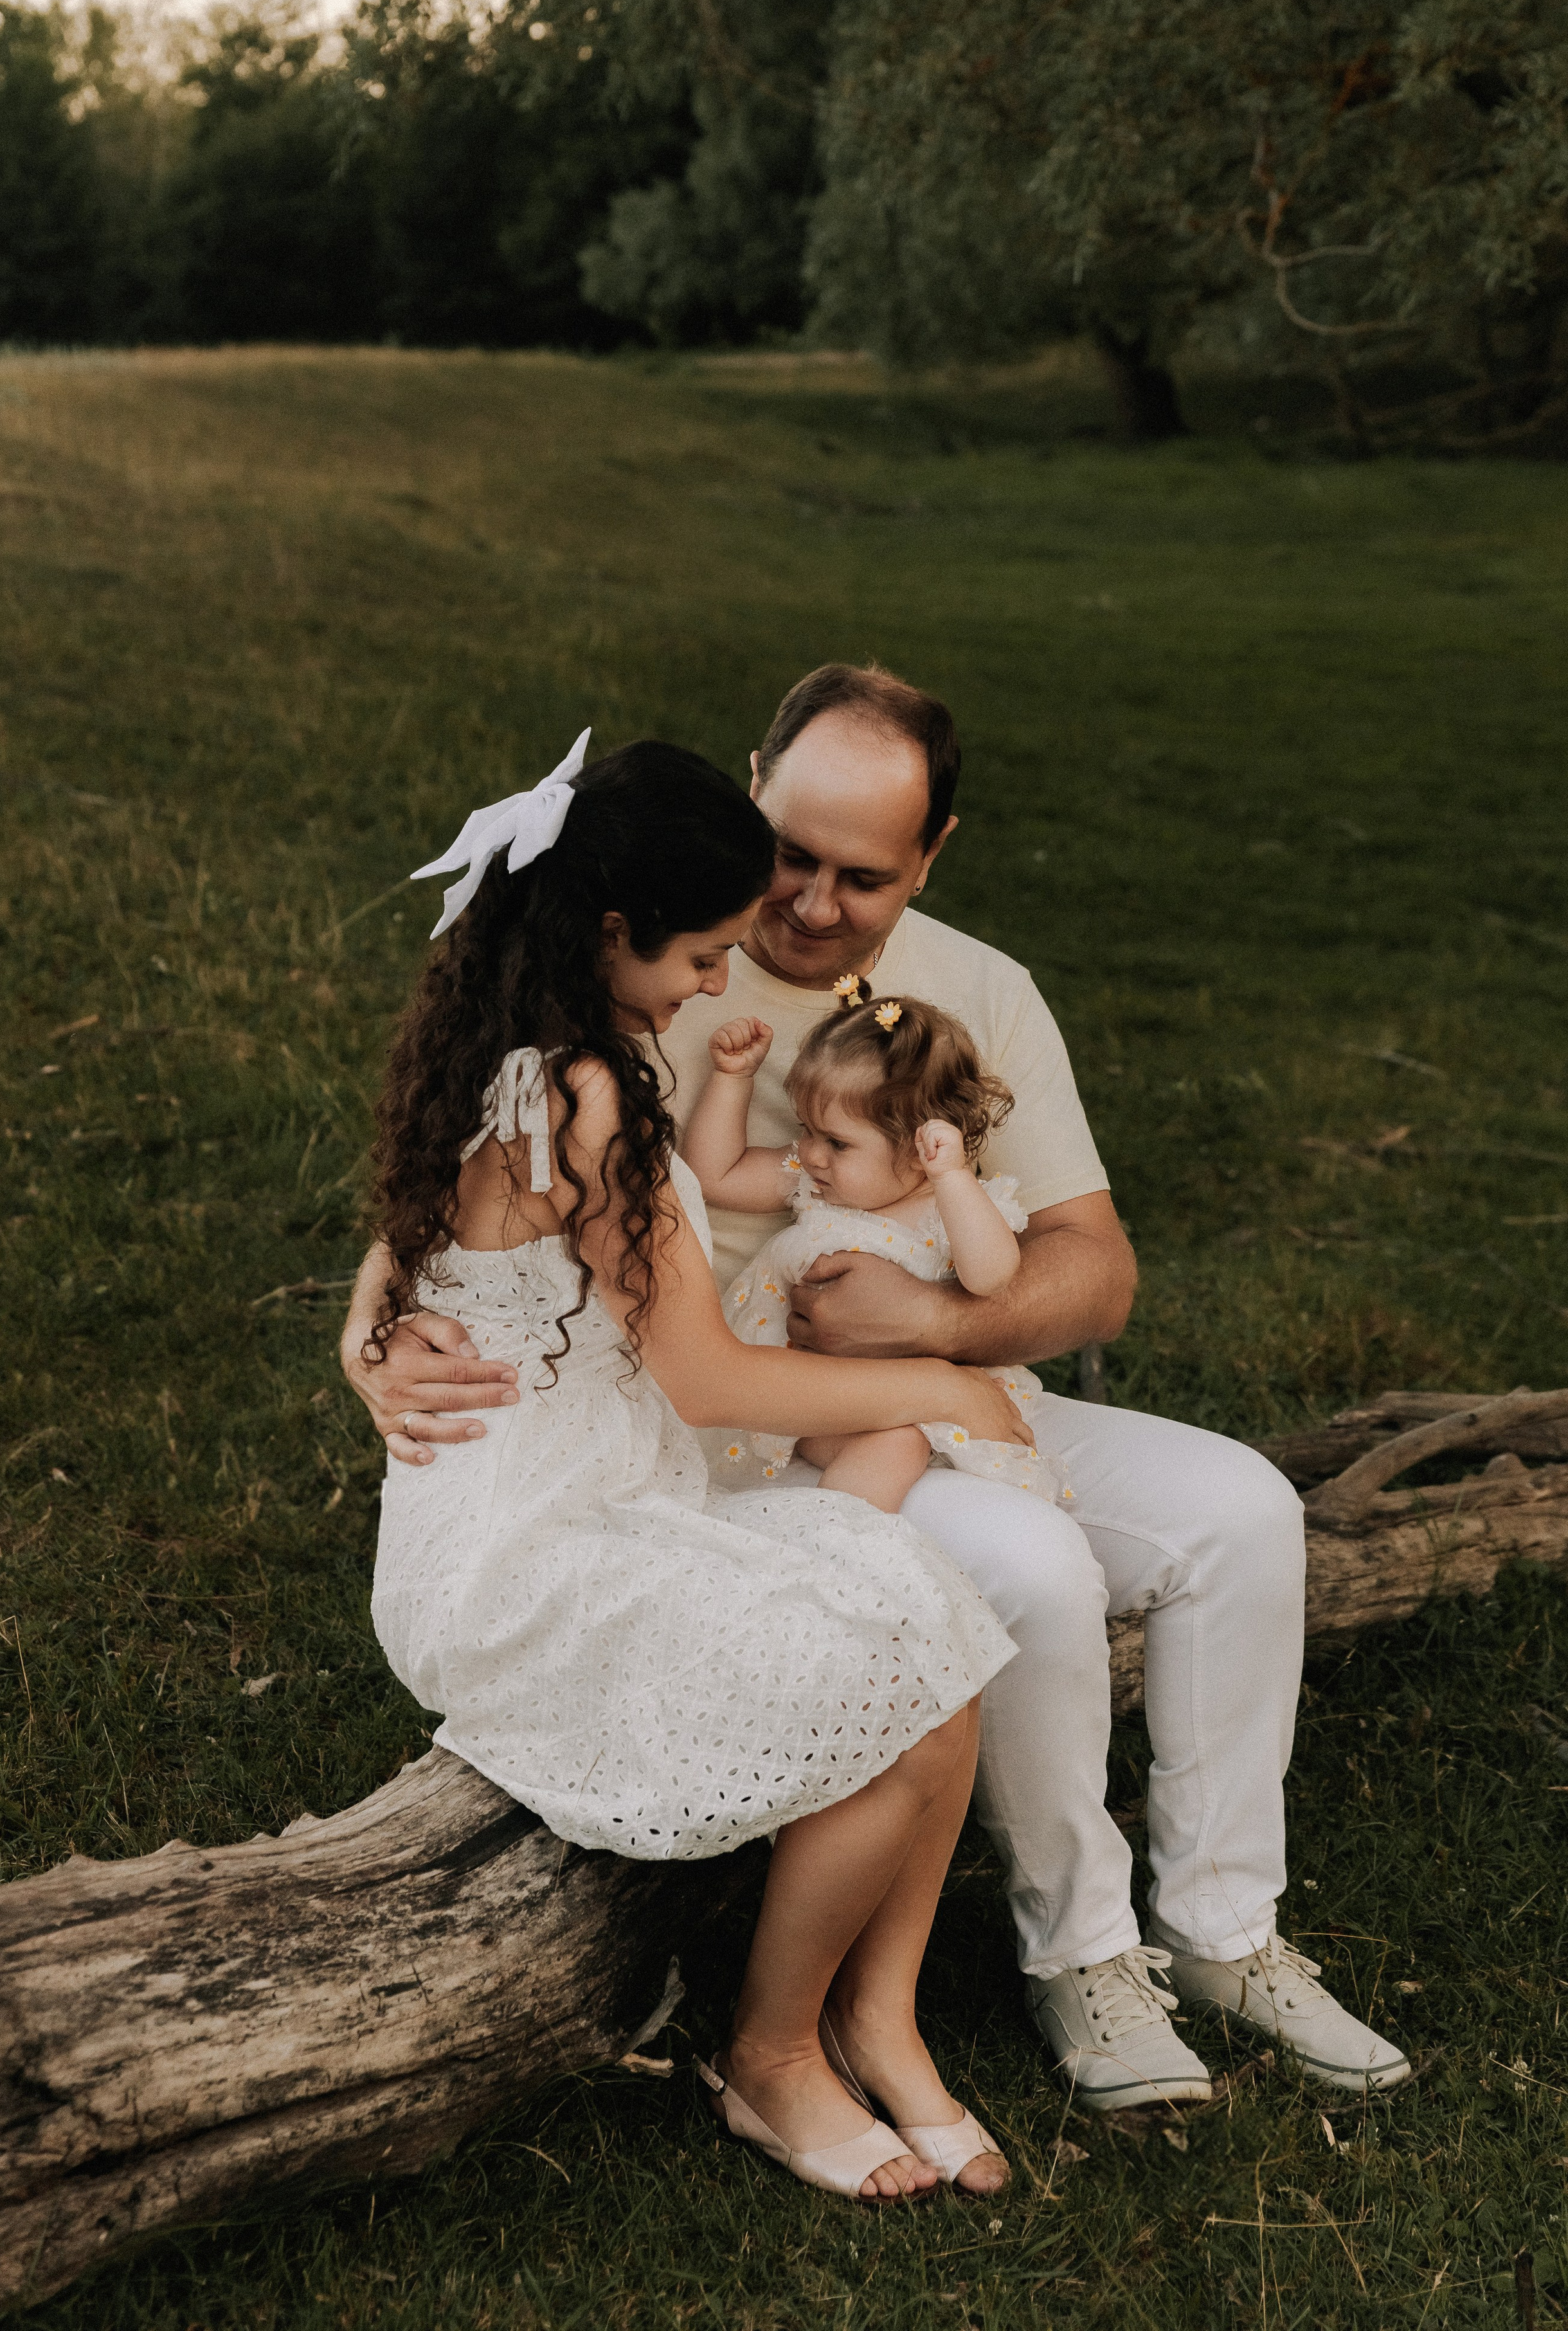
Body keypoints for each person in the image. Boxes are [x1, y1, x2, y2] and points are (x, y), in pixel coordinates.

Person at [345, 667, 1410, 2112]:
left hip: (927, 1386)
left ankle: (1225, 1929)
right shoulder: (642, 946)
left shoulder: (975, 992)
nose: (804, 905)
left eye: (862, 876)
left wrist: (938, 1327)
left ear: (932, 854)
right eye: (788, 854)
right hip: (725, 1431)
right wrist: (376, 1336)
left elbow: (1095, 1271)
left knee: (1239, 1510)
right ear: (747, 794)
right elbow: (468, 1194)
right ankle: (1078, 1956)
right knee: (1027, 1568)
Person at [365, 729, 1027, 2201]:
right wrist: (936, 1376)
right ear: (614, 929)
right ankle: (774, 2052)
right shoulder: (585, 1097)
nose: (722, 980)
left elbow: (400, 1262)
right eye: (707, 949)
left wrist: (371, 1340)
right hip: (535, 1555)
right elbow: (702, 1374)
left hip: (547, 1505)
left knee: (929, 1631)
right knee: (899, 1651)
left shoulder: (503, 1041)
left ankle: (881, 2017)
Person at [681, 988, 1065, 1515]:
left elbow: (991, 1277)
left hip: (923, 1404)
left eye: (837, 1143)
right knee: (890, 1439)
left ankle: (842, 1542)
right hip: (816, 1398)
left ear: (918, 1145)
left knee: (900, 1439)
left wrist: (951, 1177)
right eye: (805, 1131)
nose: (812, 1153)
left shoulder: (955, 1207)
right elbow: (713, 1175)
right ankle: (832, 1537)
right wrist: (733, 1080)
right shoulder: (813, 1183)